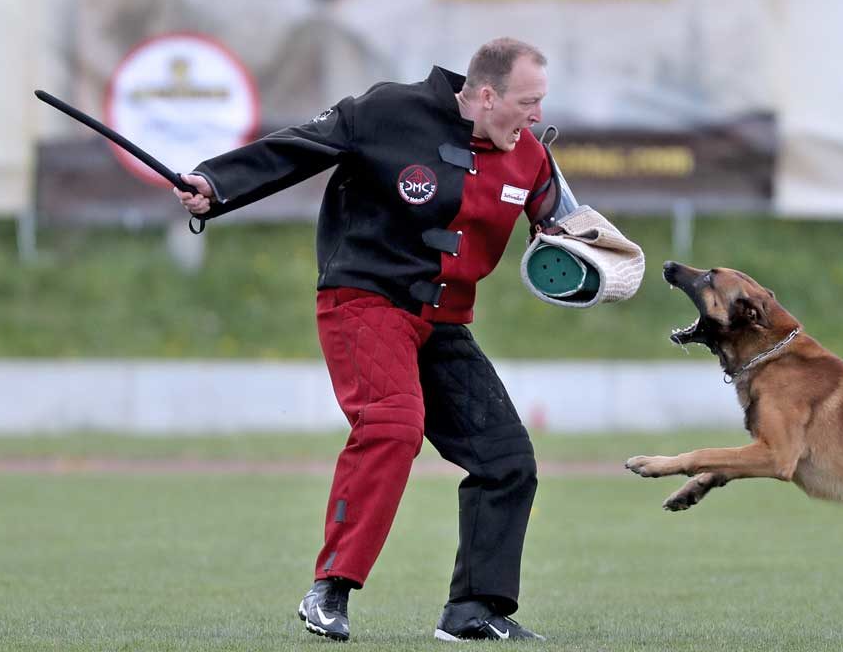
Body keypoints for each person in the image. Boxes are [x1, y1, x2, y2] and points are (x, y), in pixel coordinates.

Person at [175, 38, 560, 642]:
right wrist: (216, 185)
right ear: (487, 95)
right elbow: (299, 147)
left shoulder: (532, 155)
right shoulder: (387, 110)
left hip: (443, 324)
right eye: (528, 102)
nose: (537, 115)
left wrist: (595, 256)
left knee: (506, 459)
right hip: (365, 302)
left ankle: (474, 610)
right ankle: (328, 590)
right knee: (392, 425)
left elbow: (564, 223)